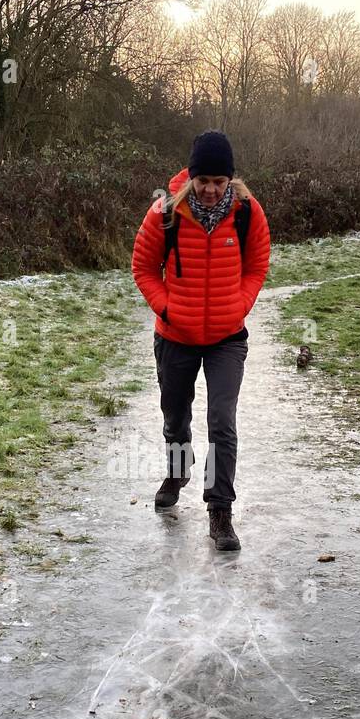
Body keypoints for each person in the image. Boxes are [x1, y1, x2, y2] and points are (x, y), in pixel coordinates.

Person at [131, 130, 271, 551]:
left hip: (227, 338)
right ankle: (178, 470)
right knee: (175, 416)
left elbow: (257, 265)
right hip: (175, 335)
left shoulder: (248, 213)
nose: (210, 189)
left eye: (219, 181)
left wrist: (239, 306)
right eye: (203, 180)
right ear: (191, 177)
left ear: (230, 180)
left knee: (221, 423)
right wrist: (167, 309)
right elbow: (142, 267)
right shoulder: (165, 214)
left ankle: (220, 510)